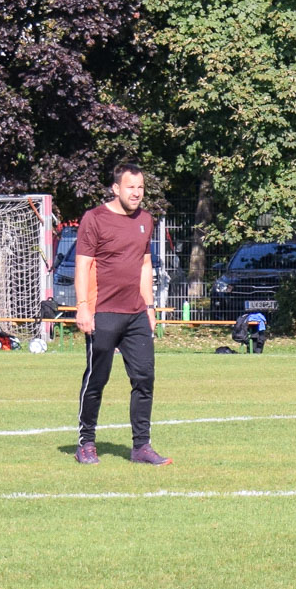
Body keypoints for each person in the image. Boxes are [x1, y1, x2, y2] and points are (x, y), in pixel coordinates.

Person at [74, 162, 169, 465]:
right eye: (131, 187)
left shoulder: (146, 220)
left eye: (140, 187)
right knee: (97, 379)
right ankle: (86, 443)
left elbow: (144, 264)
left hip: (136, 314)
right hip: (103, 312)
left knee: (144, 378)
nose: (136, 193)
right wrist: (83, 306)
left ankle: (141, 446)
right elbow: (83, 264)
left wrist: (150, 307)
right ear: (116, 188)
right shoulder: (94, 218)